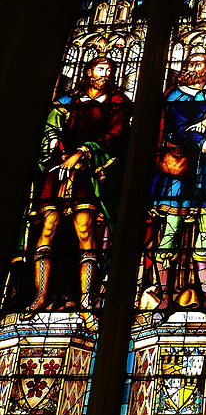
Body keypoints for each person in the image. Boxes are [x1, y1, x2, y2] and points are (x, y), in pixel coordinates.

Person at [143, 52, 206, 316]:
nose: (195, 68)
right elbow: (177, 129)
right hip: (178, 170)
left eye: (200, 63)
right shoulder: (174, 95)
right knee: (171, 231)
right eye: (191, 63)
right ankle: (165, 297)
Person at [25, 56, 130, 316]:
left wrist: (84, 152)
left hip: (89, 173)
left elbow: (117, 134)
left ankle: (85, 301)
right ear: (88, 71)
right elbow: (51, 129)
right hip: (58, 171)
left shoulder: (117, 103)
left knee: (85, 231)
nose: (104, 73)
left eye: (109, 70)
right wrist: (54, 145)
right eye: (100, 68)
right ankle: (39, 297)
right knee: (47, 228)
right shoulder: (67, 101)